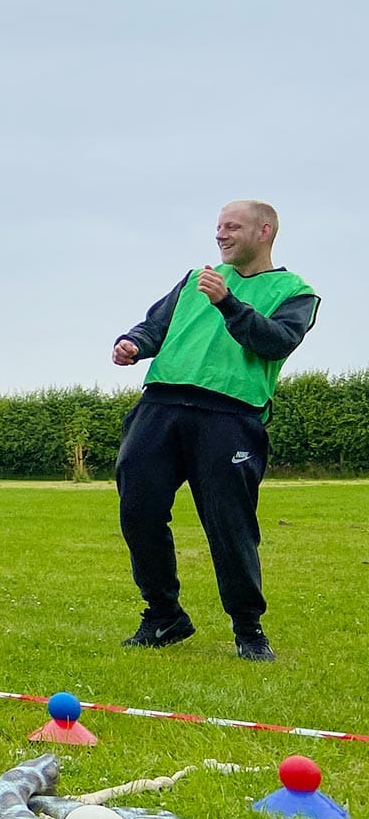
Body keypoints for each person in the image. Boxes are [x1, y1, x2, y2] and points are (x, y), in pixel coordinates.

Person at [112, 201, 318, 663]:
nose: (221, 235)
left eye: (232, 227)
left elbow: (275, 341)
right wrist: (134, 344)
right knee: (138, 510)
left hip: (230, 417)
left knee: (229, 525)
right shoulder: (193, 280)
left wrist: (227, 302)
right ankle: (164, 616)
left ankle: (248, 629)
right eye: (218, 227)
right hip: (160, 406)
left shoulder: (295, 292)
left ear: (264, 231)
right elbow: (155, 326)